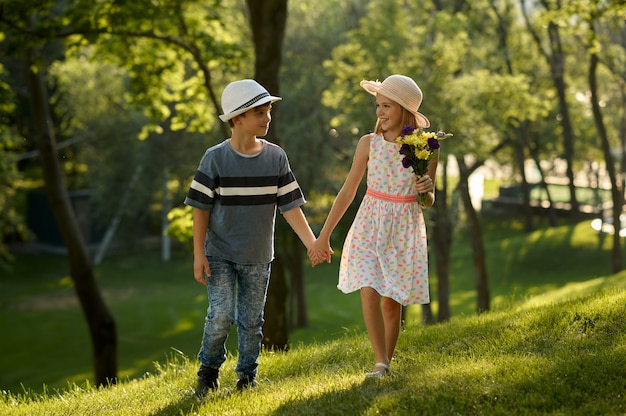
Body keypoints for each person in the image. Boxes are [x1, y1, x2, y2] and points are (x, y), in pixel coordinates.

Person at [184, 79, 321, 396]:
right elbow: (200, 208)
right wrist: (198, 253)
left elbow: (290, 207)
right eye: (259, 112)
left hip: (259, 255)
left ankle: (247, 376)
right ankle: (209, 370)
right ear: (237, 119)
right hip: (219, 252)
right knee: (220, 315)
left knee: (251, 320)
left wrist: (312, 243)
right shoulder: (215, 158)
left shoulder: (276, 158)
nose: (267, 118)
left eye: (268, 110)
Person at [308, 74, 437, 378]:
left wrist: (426, 189)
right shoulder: (369, 144)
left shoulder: (425, 148)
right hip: (370, 223)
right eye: (378, 105)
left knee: (392, 304)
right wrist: (323, 236)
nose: (380, 112)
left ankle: (387, 362)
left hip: (403, 228)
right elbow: (348, 191)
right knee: (369, 290)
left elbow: (428, 201)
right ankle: (380, 362)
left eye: (387, 106)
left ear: (404, 112)